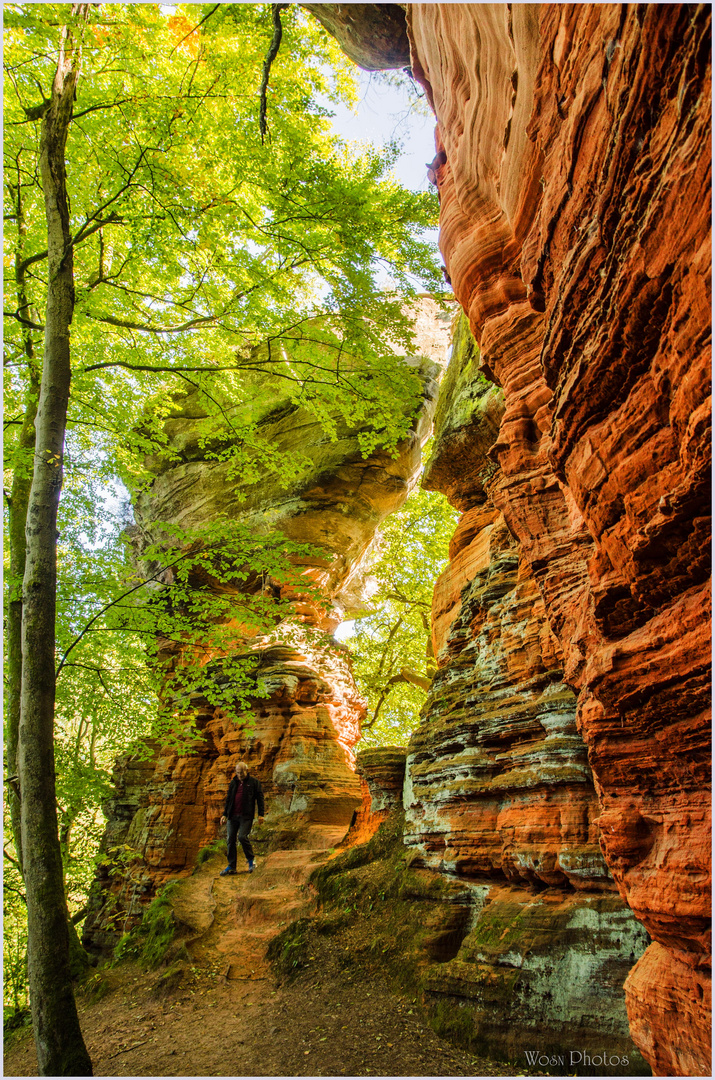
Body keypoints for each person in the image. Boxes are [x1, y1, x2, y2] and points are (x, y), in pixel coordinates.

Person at [219, 760, 265, 875]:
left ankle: (251, 861)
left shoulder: (254, 782)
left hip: (246, 816)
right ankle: (231, 866)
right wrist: (224, 814)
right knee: (230, 840)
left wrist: (261, 814)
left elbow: (260, 799)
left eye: (241, 773)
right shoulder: (233, 782)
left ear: (246, 771)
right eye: (237, 773)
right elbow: (229, 799)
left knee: (242, 837)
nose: (239, 775)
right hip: (232, 816)